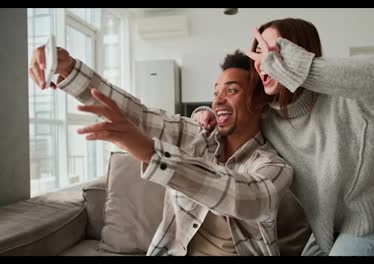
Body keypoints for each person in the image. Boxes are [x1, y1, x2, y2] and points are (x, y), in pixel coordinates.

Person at [29, 48, 294, 256]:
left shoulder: (274, 166)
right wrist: (70, 68)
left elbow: (246, 195)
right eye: (216, 92)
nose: (218, 100)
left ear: (259, 101)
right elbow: (138, 114)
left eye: (232, 90)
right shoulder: (197, 137)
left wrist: (152, 153)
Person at [192, 18, 374, 256]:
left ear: (298, 54)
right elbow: (233, 117)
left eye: (272, 51)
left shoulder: (352, 100)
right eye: (258, 53)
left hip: (373, 219)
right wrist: (204, 114)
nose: (263, 61)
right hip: (327, 229)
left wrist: (300, 71)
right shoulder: (269, 116)